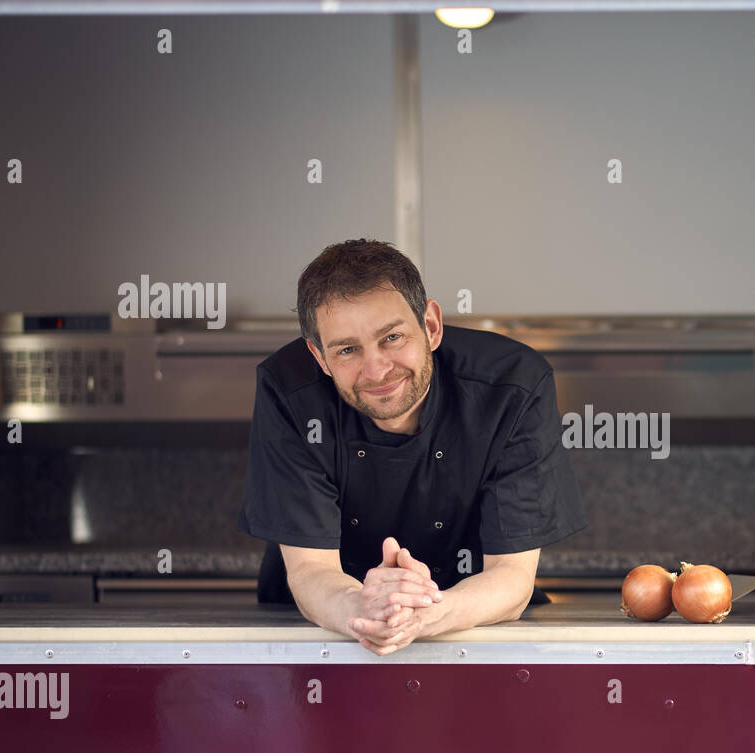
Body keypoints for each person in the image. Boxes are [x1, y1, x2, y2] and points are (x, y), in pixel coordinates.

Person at [238, 239, 586, 655]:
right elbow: (311, 570)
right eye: (347, 349)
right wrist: (365, 608)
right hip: (318, 639)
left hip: (474, 629)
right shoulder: (289, 390)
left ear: (431, 326)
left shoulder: (514, 385)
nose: (376, 369)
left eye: (392, 337)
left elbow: (511, 574)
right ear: (320, 357)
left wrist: (430, 612)